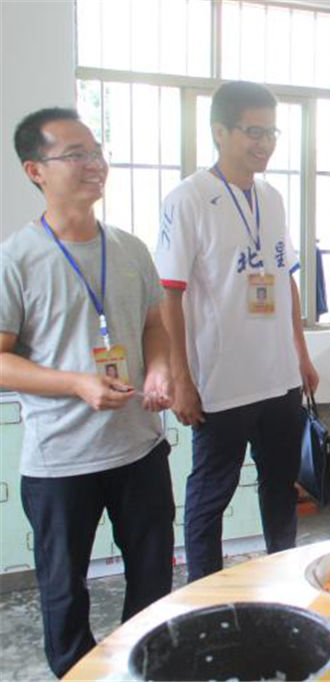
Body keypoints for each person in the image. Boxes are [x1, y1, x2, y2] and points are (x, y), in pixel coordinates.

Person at [0, 107, 174, 676]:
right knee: (64, 592)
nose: (94, 164)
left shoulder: (129, 248)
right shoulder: (16, 259)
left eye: (96, 152)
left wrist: (159, 370)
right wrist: (76, 383)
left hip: (140, 448)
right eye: (75, 155)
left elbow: (153, 325)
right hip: (61, 461)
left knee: (152, 581)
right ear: (35, 170)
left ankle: (144, 668)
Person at [155, 81, 318, 582]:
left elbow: (286, 280)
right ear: (219, 132)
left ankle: (283, 578)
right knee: (211, 496)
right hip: (221, 384)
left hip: (279, 379)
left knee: (280, 488)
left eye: (272, 133)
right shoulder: (187, 199)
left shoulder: (272, 198)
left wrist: (301, 354)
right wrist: (181, 379)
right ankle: (203, 594)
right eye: (253, 132)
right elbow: (170, 295)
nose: (265, 144)